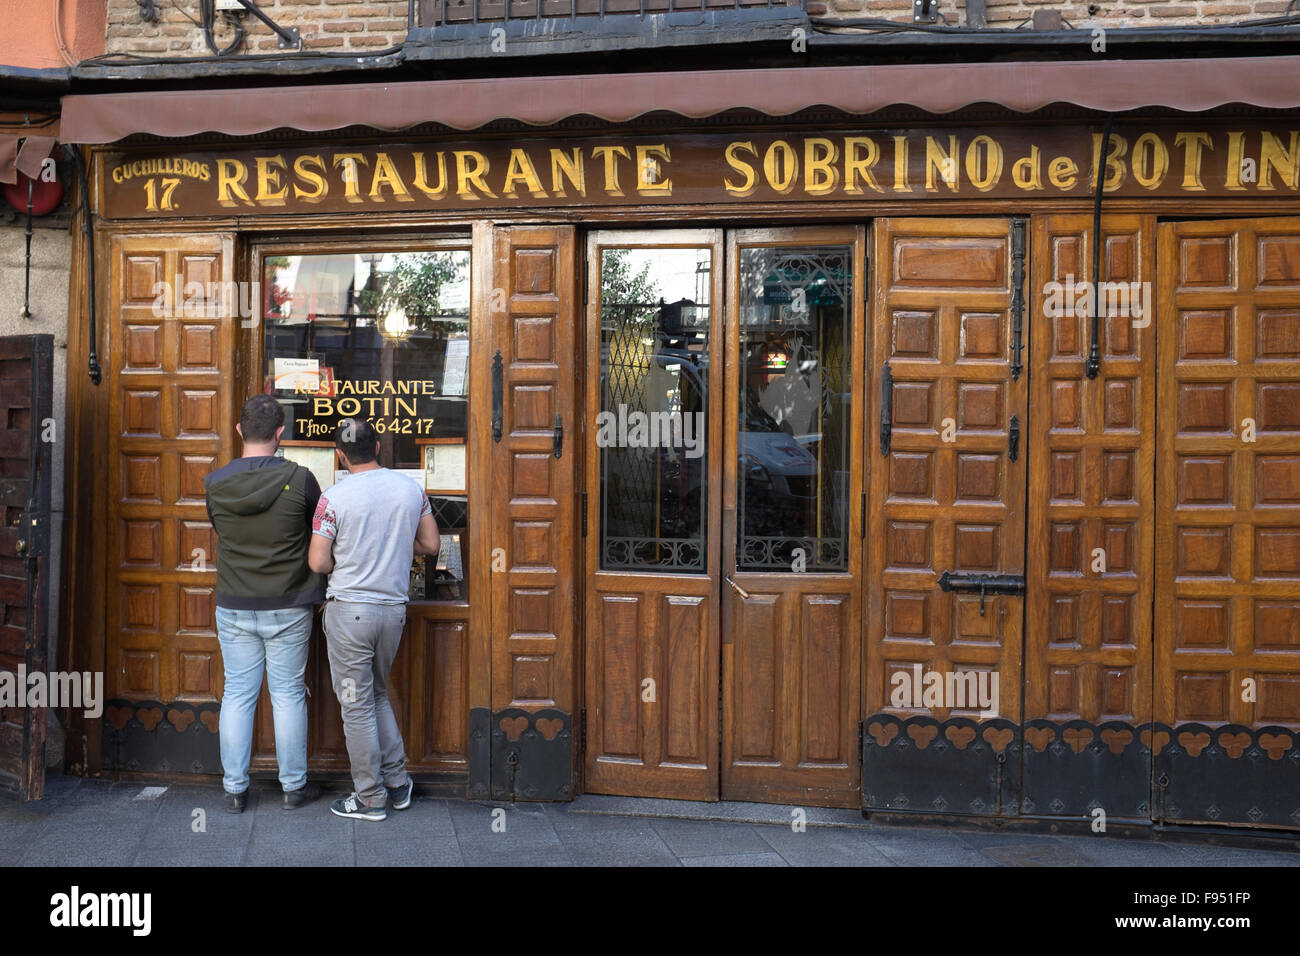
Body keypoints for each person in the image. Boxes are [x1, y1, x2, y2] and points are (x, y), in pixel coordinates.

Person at [309, 418, 440, 821]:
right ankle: (398, 784)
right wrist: (398, 548)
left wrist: (345, 560)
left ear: (340, 455)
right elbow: (431, 545)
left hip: (350, 612)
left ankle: (369, 797)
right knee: (377, 695)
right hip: (392, 611)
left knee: (356, 706)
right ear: (379, 447)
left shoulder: (332, 497)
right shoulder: (410, 489)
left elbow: (318, 561)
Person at [204, 394, 326, 813]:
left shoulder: (215, 483)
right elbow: (320, 533)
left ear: (240, 431)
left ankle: (234, 790)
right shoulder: (302, 478)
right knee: (288, 693)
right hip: (289, 603)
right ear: (280, 433)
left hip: (235, 603)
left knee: (238, 692)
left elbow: (222, 529)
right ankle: (293, 787)